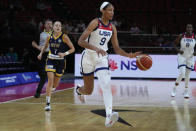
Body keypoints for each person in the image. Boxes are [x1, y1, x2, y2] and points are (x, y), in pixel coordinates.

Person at [76, 2, 141, 127]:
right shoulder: (95, 22)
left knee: (106, 85)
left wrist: (129, 55)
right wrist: (96, 49)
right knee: (88, 91)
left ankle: (109, 116)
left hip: (102, 58)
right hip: (88, 57)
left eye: (113, 10)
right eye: (110, 10)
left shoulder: (112, 28)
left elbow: (116, 49)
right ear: (103, 11)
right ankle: (79, 90)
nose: (112, 12)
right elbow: (80, 41)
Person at [38, 21, 75, 111]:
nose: (58, 27)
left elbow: (73, 48)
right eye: (56, 25)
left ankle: (53, 88)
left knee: (55, 84)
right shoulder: (49, 36)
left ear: (61, 28)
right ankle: (47, 104)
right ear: (53, 27)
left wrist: (64, 53)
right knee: (50, 81)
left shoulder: (64, 37)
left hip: (60, 62)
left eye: (59, 26)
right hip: (51, 60)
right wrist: (41, 53)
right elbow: (45, 46)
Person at [171, 24, 196, 98]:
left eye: (190, 27)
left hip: (190, 57)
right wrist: (178, 50)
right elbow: (174, 44)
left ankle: (186, 91)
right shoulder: (181, 36)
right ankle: (174, 89)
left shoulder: (194, 36)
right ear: (186, 28)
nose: (189, 28)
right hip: (182, 56)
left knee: (188, 75)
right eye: (188, 27)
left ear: (192, 29)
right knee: (182, 73)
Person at [32, 19, 53, 98]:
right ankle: (39, 91)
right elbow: (33, 43)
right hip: (42, 55)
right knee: (42, 75)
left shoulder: (55, 34)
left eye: (51, 24)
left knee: (49, 74)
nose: (49, 25)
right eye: (48, 23)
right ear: (44, 25)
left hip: (51, 55)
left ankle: (39, 92)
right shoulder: (40, 33)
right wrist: (38, 47)